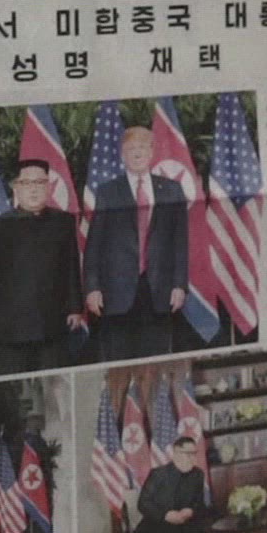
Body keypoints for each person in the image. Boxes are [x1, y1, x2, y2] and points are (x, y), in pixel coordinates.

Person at [0, 159, 85, 375]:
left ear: (49, 187)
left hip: (52, 322)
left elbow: (71, 267)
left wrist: (75, 307)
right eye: (27, 183)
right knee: (11, 385)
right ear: (16, 188)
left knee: (53, 381)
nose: (34, 189)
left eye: (40, 182)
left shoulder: (63, 222)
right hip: (10, 325)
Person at [83, 127, 189, 361]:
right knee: (119, 360)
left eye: (142, 147)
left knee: (156, 360)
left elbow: (180, 243)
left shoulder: (172, 190)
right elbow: (94, 245)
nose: (137, 153)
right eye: (131, 149)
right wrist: (92, 288)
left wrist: (179, 285)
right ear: (123, 155)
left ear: (151, 152)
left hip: (159, 291)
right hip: (116, 293)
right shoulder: (108, 191)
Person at [131, 435, 210, 533]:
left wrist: (191, 511)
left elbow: (200, 504)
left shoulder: (198, 474)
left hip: (185, 525)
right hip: (157, 525)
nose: (193, 459)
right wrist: (165, 515)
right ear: (176, 453)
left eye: (194, 454)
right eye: (188, 454)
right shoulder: (158, 474)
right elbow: (143, 504)